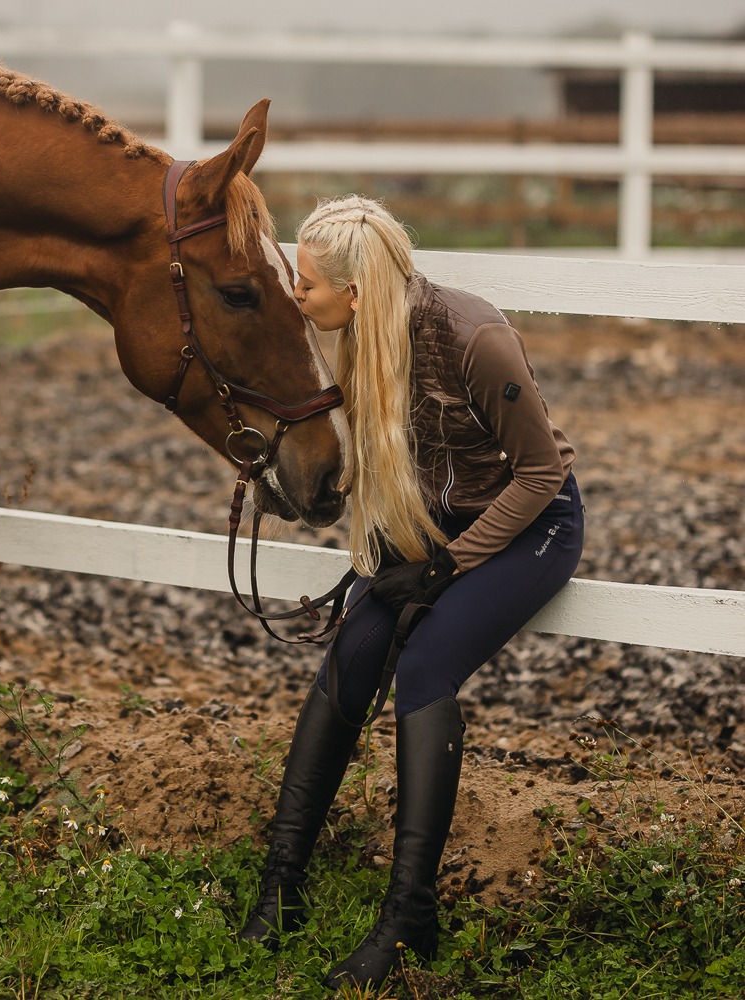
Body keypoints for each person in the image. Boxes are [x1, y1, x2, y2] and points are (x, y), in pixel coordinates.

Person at [240, 195, 584, 991]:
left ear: (353, 293)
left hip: (530, 524)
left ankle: (409, 919)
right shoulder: (359, 338)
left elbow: (540, 475)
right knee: (353, 656)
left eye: (305, 285)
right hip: (434, 525)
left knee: (423, 670)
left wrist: (447, 565)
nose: (297, 296)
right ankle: (282, 884)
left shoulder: (475, 337)